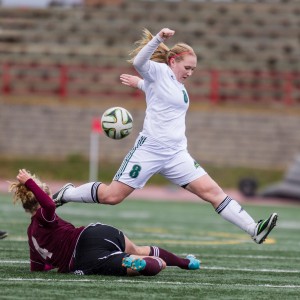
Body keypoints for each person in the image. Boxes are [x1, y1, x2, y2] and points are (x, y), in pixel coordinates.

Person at [53, 27, 277, 245]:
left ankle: (253, 229)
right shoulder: (159, 71)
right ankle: (67, 193)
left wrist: (140, 85)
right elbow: (139, 63)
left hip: (176, 154)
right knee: (112, 196)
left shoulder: (178, 85)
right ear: (173, 62)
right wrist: (158, 37)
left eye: (193, 69)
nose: (190, 73)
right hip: (149, 149)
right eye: (187, 67)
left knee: (213, 192)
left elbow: (160, 93)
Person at [9, 169, 200, 276]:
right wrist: (31, 182)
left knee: (136, 264)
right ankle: (186, 262)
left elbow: (38, 267)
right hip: (94, 233)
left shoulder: (32, 231)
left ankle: (142, 264)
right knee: (139, 249)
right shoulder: (45, 215)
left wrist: (53, 262)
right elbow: (50, 205)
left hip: (83, 259)